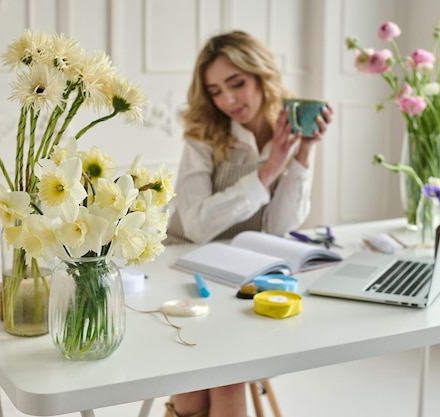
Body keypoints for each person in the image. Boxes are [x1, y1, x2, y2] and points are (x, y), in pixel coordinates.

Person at [164, 31, 333, 417]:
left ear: (261, 74)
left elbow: (277, 228)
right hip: (183, 267)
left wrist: (303, 153)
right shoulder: (204, 134)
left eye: (236, 83)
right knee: (201, 386)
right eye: (216, 91)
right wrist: (270, 168)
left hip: (243, 274)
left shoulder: (288, 128)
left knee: (223, 379)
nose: (228, 100)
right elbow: (196, 224)